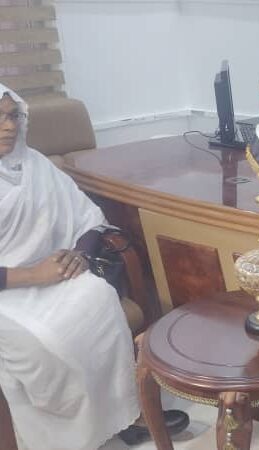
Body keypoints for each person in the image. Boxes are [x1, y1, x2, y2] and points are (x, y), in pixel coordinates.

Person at [0, 84, 186, 449]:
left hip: (53, 274)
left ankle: (129, 413)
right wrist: (33, 275)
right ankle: (69, 436)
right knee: (50, 339)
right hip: (9, 293)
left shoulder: (35, 164)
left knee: (98, 294)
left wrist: (81, 255)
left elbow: (87, 217)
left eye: (13, 116)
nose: (8, 126)